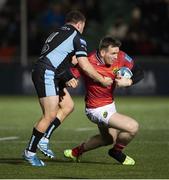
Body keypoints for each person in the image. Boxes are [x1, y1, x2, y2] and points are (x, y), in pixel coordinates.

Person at [23, 10, 113, 167]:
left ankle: (44, 139)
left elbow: (58, 58)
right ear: (80, 24)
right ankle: (29, 153)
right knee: (49, 115)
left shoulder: (58, 32)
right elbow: (83, 64)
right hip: (47, 73)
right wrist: (101, 80)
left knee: (68, 106)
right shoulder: (77, 37)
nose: (83, 29)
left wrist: (67, 75)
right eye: (83, 26)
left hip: (46, 71)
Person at [63, 36, 144, 165]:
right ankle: (116, 152)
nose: (116, 57)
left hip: (110, 105)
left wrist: (129, 81)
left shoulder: (121, 57)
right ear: (102, 52)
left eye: (117, 53)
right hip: (95, 109)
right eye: (113, 53)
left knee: (108, 139)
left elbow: (139, 71)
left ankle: (75, 152)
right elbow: (67, 73)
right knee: (132, 127)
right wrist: (69, 79)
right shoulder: (87, 61)